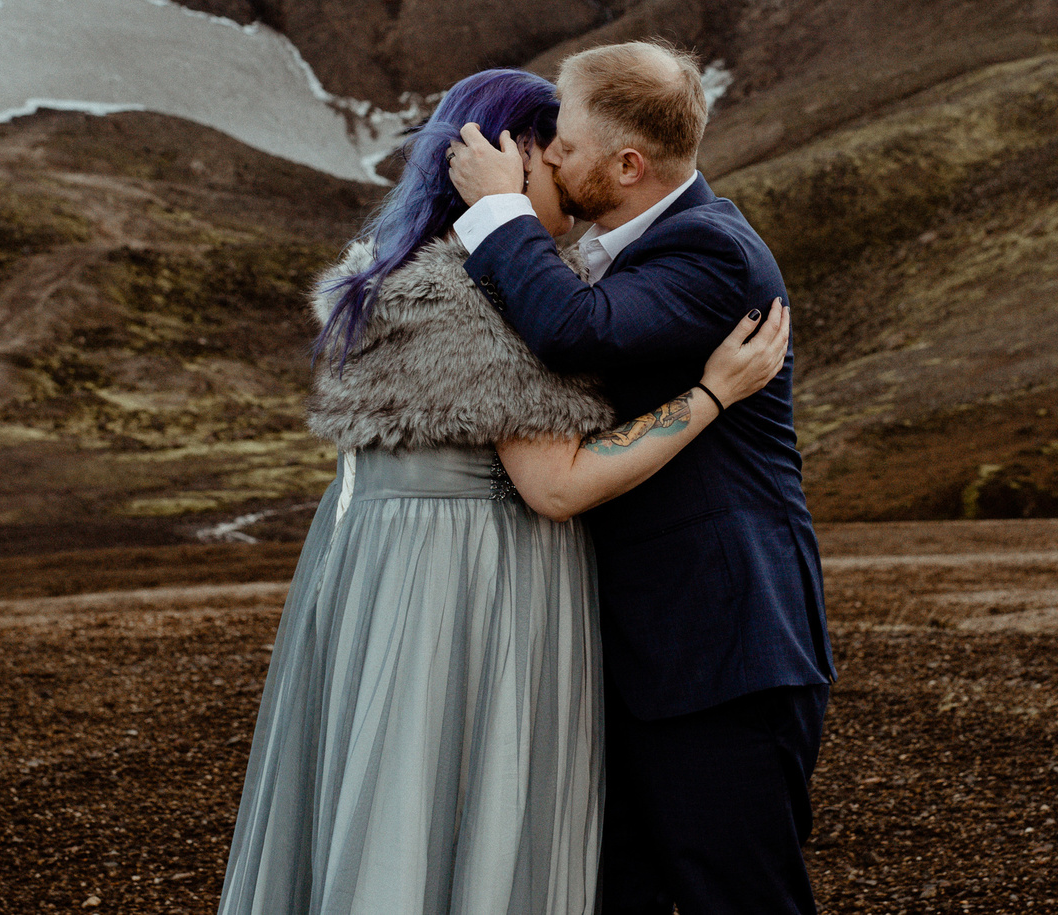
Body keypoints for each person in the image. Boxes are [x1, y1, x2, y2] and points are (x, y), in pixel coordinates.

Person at [216, 66, 792, 915]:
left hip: (375, 584)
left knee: (385, 810)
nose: (570, 183)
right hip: (469, 597)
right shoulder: (494, 292)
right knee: (454, 813)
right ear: (504, 162)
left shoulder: (389, 277)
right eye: (553, 159)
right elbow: (557, 484)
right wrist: (711, 394)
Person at [448, 39, 832, 915]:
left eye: (566, 143)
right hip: (655, 655)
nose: (550, 156)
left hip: (722, 650)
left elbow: (574, 331)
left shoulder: (711, 250)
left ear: (628, 165)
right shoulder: (638, 247)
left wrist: (498, 210)